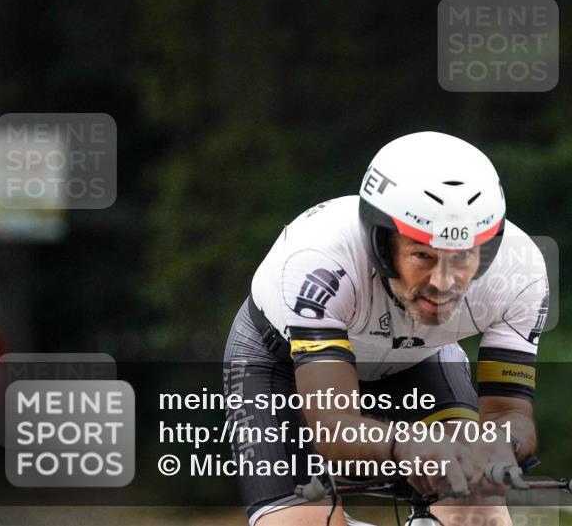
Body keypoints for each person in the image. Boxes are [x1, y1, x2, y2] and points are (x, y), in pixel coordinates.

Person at [223, 131, 548, 526]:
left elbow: (509, 412)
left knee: (479, 509)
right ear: (381, 243)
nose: (443, 282)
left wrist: (500, 444)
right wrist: (406, 445)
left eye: (462, 257)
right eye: (423, 255)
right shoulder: (319, 261)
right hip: (283, 366)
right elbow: (334, 428)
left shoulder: (520, 273)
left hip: (418, 358)